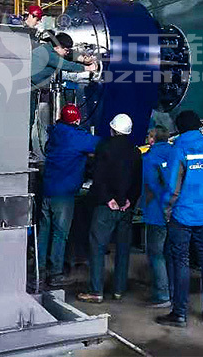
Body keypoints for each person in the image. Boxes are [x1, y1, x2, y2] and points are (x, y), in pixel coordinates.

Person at [156, 110, 203, 328]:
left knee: (181, 262)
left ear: (179, 128)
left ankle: (180, 314)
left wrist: (167, 212)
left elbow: (172, 188)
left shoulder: (179, 149)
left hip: (182, 216)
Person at [77, 114, 142, 304]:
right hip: (125, 208)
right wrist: (129, 200)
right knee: (123, 249)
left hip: (106, 207)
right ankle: (119, 290)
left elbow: (98, 177)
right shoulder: (135, 152)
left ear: (112, 129)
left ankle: (96, 291)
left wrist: (108, 199)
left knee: (97, 247)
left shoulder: (103, 147)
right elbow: (138, 181)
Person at [37, 104, 100, 287]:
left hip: (47, 191)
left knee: (44, 233)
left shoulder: (55, 132)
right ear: (78, 120)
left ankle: (39, 270)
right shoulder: (77, 137)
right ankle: (56, 273)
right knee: (60, 234)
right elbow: (102, 144)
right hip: (63, 195)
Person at [140, 125, 181, 309]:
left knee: (156, 254)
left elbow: (151, 185)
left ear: (152, 139)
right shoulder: (176, 153)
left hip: (156, 213)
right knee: (171, 254)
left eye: (149, 136)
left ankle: (162, 295)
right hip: (176, 213)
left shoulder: (149, 158)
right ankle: (174, 292)